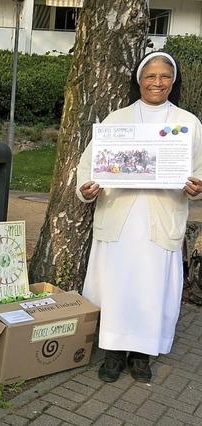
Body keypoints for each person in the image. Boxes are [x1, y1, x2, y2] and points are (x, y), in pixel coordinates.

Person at [76, 52, 202, 383]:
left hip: (161, 220)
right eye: (150, 76)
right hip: (121, 217)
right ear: (139, 79)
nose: (157, 82)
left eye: (164, 76)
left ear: (173, 81)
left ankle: (142, 355)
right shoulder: (116, 120)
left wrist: (196, 188)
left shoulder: (188, 124)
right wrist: (86, 188)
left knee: (152, 288)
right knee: (118, 287)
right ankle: (115, 353)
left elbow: (198, 173)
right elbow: (88, 166)